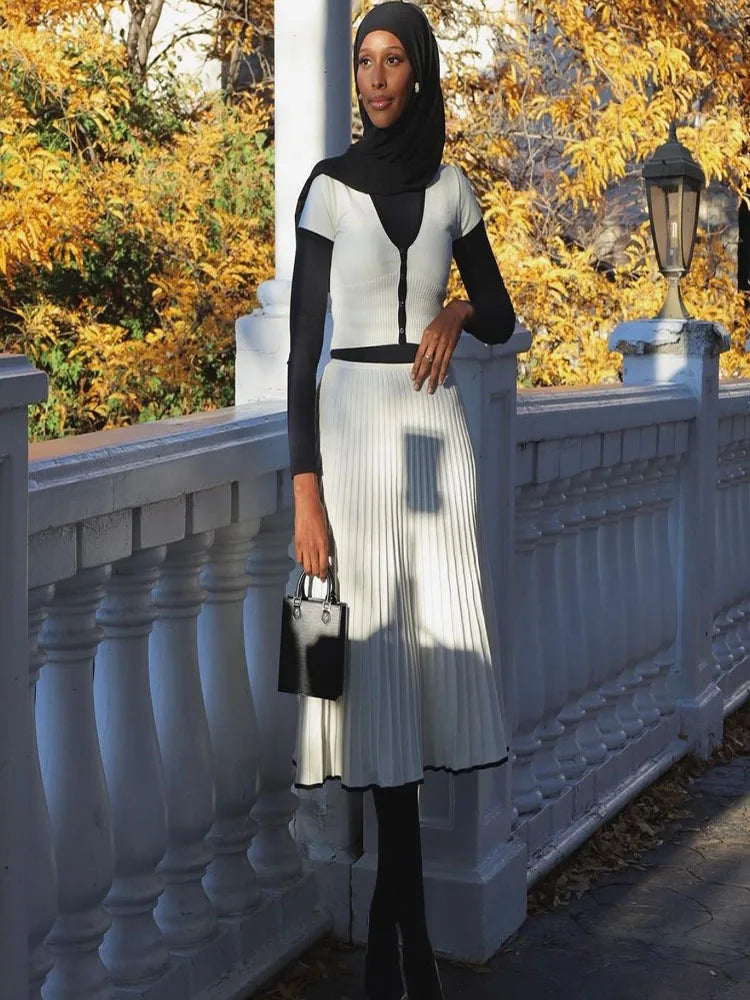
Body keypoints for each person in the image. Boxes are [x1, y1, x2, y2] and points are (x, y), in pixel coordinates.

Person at [286, 3, 515, 997]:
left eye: (392, 61)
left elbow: (500, 311)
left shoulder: (454, 187)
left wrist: (456, 309)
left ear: (419, 73)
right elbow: (300, 356)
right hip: (348, 437)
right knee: (360, 663)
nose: (376, 78)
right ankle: (405, 943)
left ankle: (396, 942)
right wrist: (306, 493)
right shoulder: (326, 189)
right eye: (363, 61)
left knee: (417, 663)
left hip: (431, 444)